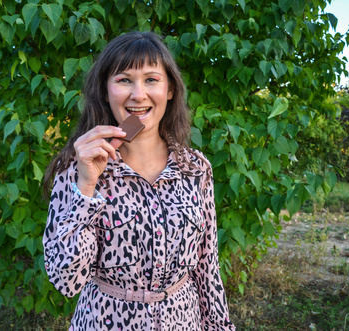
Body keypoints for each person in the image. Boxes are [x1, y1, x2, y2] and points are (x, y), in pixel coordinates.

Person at [43, 31, 235, 331]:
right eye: (124, 80)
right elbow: (66, 281)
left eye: (151, 79)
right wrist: (86, 186)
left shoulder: (196, 168)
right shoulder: (77, 169)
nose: (138, 94)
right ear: (105, 91)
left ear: (169, 88)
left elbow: (207, 268)